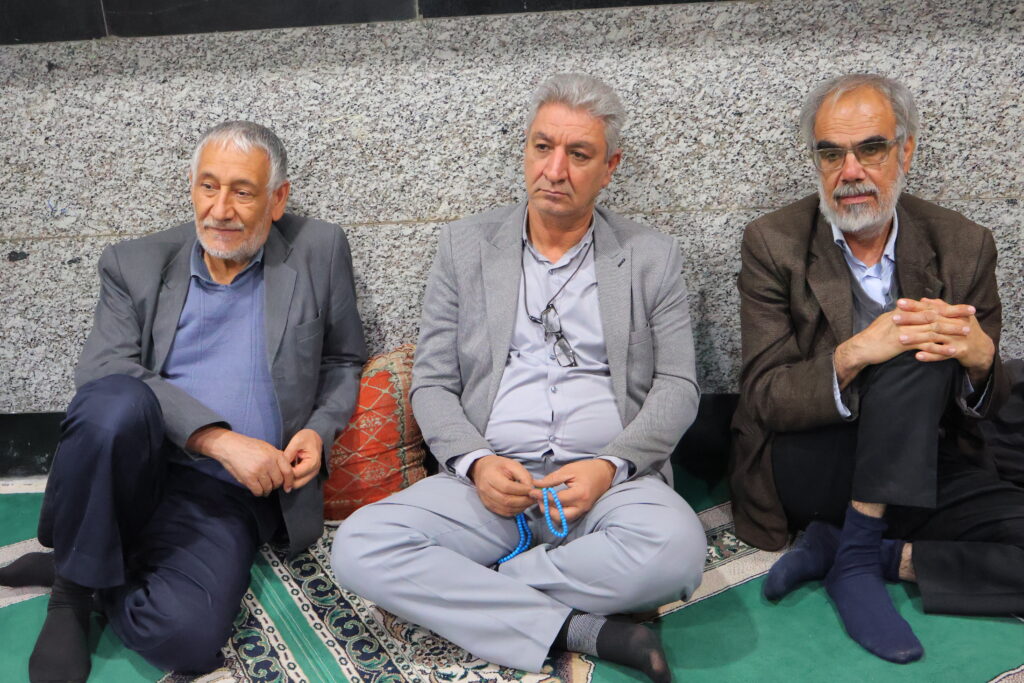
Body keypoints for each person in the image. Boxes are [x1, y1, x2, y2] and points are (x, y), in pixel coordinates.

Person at [331, 74, 705, 683]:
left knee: (679, 552)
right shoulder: (465, 247)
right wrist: (476, 462)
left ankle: (479, 587)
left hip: (606, 486)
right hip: (490, 483)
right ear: (525, 150)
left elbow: (678, 386)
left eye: (578, 154)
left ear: (609, 168)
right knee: (358, 546)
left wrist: (609, 466)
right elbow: (432, 382)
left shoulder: (650, 256)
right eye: (542, 147)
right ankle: (579, 628)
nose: (554, 170)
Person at [0, 121, 367, 682]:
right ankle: (71, 595)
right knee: (113, 402)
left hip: (230, 493)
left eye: (242, 192)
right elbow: (102, 369)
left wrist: (318, 429)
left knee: (188, 640)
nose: (220, 210)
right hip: (135, 463)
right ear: (192, 187)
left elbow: (342, 361)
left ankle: (91, 559)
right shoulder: (135, 262)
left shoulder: (320, 249)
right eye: (208, 186)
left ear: (277, 200)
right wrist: (217, 440)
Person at [729, 73, 1024, 663]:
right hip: (817, 459)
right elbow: (766, 396)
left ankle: (862, 552)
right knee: (915, 344)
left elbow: (988, 406)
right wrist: (856, 352)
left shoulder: (963, 243)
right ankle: (860, 553)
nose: (850, 172)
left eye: (871, 149)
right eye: (831, 153)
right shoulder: (774, 242)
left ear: (905, 151)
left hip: (924, 465)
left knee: (928, 341)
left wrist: (981, 362)